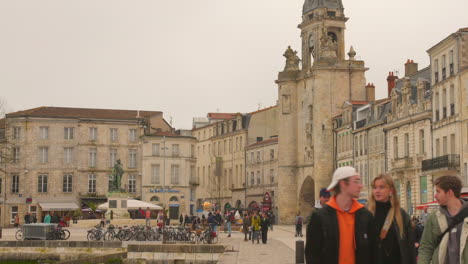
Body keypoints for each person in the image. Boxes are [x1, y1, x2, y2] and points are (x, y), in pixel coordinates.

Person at [305, 166, 374, 264]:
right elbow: (312, 255)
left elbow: (372, 253)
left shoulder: (365, 216)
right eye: (356, 181)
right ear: (343, 184)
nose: (361, 186)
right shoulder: (319, 217)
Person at [418, 175, 468, 264]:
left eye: (438, 191)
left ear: (449, 192)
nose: (435, 196)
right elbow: (425, 247)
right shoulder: (434, 217)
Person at [368, 174, 415, 264]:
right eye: (374, 187)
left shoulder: (401, 215)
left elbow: (409, 248)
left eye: (381, 187)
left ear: (391, 190)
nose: (377, 191)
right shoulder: (366, 213)